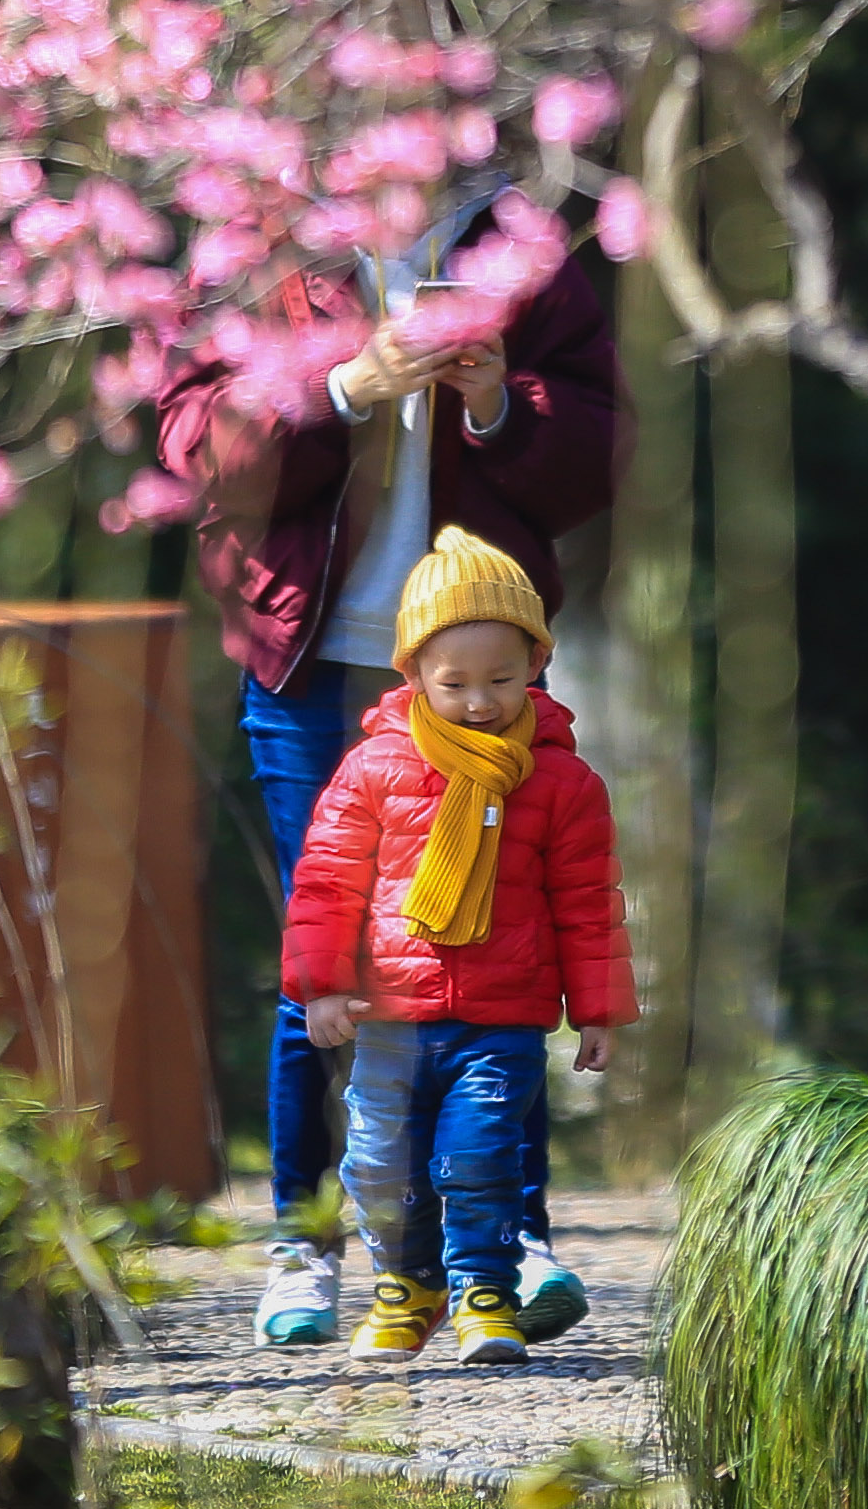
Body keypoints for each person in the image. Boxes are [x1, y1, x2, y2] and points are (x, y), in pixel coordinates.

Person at [158, 181, 620, 1348]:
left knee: (498, 947)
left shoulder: (516, 237)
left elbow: (597, 451)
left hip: (477, 671)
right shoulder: (248, 225)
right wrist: (334, 392)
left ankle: (508, 1241)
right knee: (325, 962)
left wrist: (495, 410)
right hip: (316, 665)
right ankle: (305, 1244)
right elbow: (192, 449)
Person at [280, 528, 634, 1365]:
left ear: (536, 665)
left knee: (477, 1159)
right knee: (376, 1163)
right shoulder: (373, 767)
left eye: (502, 680)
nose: (480, 701)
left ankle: (484, 1289)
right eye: (455, 683)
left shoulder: (560, 781)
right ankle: (408, 1285)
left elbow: (587, 902)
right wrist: (321, 987)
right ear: (411, 675)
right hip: (393, 1013)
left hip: (502, 1017)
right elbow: (328, 882)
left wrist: (600, 1008)